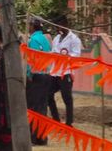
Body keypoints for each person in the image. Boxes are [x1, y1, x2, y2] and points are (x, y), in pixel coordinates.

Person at [49, 19, 81, 126]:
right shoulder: (56, 38)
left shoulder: (74, 39)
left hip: (66, 72)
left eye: (60, 26)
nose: (58, 29)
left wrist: (66, 56)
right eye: (57, 27)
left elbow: (76, 55)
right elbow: (53, 51)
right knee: (48, 94)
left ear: (66, 25)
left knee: (66, 97)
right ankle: (56, 119)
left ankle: (69, 123)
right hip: (54, 72)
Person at [26, 18, 52, 146]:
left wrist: (28, 74)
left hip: (37, 76)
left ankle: (34, 138)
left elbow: (33, 59)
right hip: (47, 75)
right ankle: (42, 138)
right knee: (42, 107)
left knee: (34, 108)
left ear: (32, 27)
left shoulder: (33, 40)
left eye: (28, 25)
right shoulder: (45, 39)